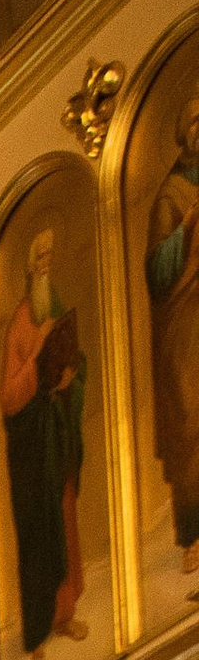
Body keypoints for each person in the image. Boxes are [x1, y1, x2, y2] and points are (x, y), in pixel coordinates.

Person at [0, 222, 90, 660]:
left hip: (57, 438)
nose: (46, 267)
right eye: (40, 261)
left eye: (50, 261)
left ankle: (66, 613)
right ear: (27, 269)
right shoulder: (20, 324)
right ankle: (37, 635)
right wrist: (37, 359)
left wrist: (71, 375)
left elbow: (75, 358)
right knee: (39, 538)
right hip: (32, 455)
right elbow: (9, 397)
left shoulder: (52, 305)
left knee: (66, 523)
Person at [145, 91, 199, 590]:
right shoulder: (170, 196)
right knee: (190, 420)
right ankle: (192, 535)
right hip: (186, 326)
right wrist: (185, 229)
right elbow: (158, 274)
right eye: (195, 122)